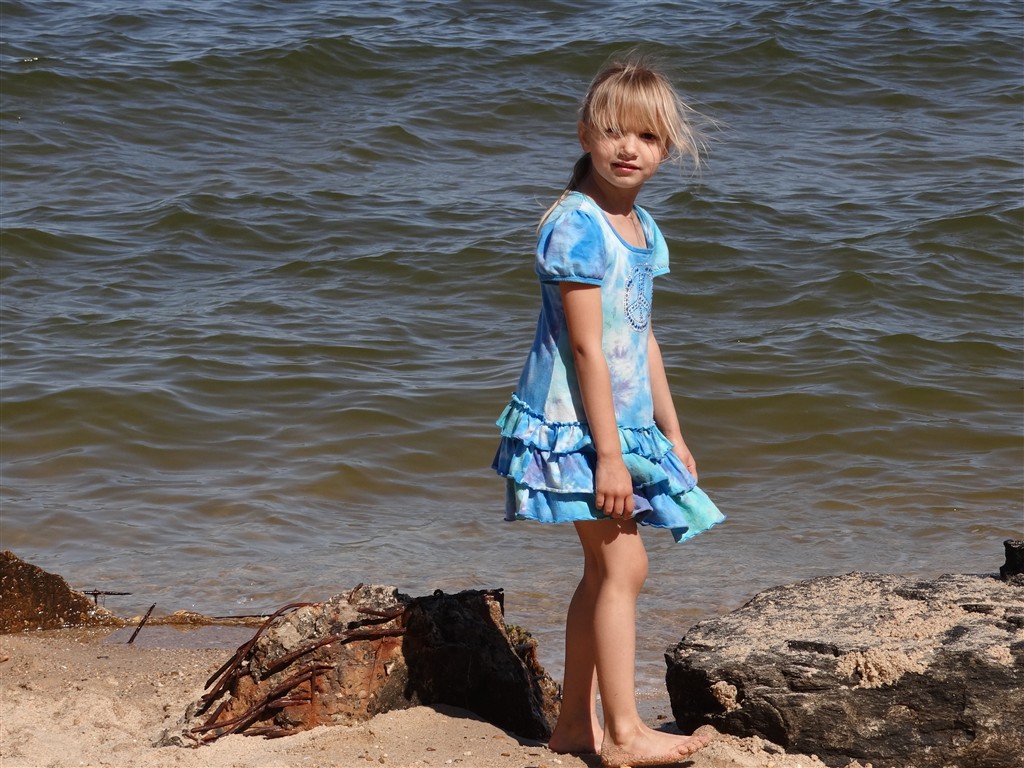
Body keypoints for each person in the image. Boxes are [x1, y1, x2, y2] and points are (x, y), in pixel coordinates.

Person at [491, 53, 725, 768]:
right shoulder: (577, 225)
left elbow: (641, 336)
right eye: (615, 130)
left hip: (620, 424)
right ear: (585, 134)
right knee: (624, 567)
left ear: (667, 148)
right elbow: (588, 349)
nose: (630, 148)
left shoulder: (641, 227)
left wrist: (670, 431)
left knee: (603, 570)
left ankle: (573, 727)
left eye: (647, 136)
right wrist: (612, 457)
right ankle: (623, 734)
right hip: (574, 426)